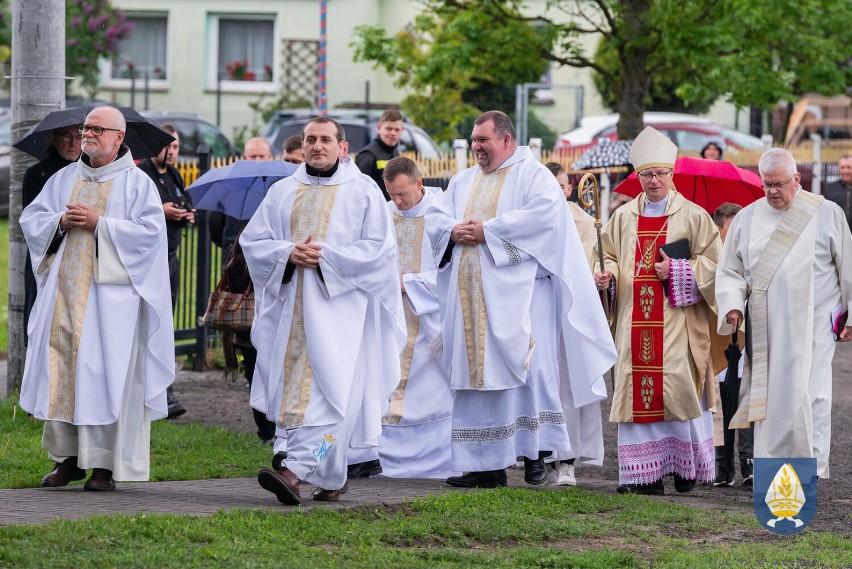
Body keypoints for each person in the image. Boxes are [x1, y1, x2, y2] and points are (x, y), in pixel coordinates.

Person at [426, 111, 616, 489]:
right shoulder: (462, 181)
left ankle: (536, 454)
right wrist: (452, 230)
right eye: (474, 140)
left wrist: (488, 232)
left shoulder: (534, 176)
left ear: (507, 140)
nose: (477, 147)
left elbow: (545, 220)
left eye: (484, 140)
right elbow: (435, 217)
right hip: (471, 299)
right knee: (474, 380)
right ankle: (485, 466)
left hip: (527, 296)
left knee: (531, 372)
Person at [243, 116, 405, 505]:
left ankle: (294, 471)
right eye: (310, 139)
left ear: (342, 147)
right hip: (292, 316)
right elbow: (253, 242)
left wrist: (326, 257)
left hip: (343, 317)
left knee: (334, 398)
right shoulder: (283, 191)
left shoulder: (363, 192)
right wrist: (287, 253)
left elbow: (380, 253)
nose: (317, 145)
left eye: (326, 139)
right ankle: (331, 475)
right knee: (313, 402)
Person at [19, 106, 175, 492]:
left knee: (106, 377)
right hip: (64, 297)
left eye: (96, 129)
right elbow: (32, 219)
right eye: (86, 128)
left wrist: (99, 224)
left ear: (118, 137)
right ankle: (68, 460)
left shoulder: (137, 184)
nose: (87, 134)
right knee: (67, 371)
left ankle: (104, 466)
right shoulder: (63, 178)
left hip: (112, 305)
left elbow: (150, 236)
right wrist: (59, 222)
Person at [594, 126, 721, 496]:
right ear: (638, 177)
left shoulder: (694, 216)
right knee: (636, 387)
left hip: (677, 322)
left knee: (679, 388)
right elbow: (609, 257)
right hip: (633, 322)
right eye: (646, 174)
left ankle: (683, 470)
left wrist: (680, 271)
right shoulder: (622, 217)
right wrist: (607, 277)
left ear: (672, 174)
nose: (654, 181)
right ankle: (643, 477)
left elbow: (716, 264)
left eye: (660, 174)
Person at [715, 148, 852, 479]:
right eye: (766, 185)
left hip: (815, 323)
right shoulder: (747, 219)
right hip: (767, 325)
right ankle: (769, 462)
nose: (772, 191)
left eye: (778, 184)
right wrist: (733, 304)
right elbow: (730, 270)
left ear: (796, 179)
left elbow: (848, 264)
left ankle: (812, 464)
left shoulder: (827, 213)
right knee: (771, 394)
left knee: (811, 391)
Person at [379, 156, 454, 478]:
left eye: (403, 194)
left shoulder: (442, 213)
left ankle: (439, 463)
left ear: (420, 184)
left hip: (430, 318)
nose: (397, 201)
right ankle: (380, 457)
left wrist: (409, 283)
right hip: (390, 316)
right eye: (392, 194)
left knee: (432, 389)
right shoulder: (381, 215)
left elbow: (452, 269)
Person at [543, 161, 603, 487]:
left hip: (570, 314)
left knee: (566, 387)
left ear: (569, 189)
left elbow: (592, 266)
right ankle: (538, 458)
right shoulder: (529, 216)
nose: (556, 192)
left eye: (561, 186)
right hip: (536, 311)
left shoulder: (586, 223)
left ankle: (566, 460)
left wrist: (602, 277)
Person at [138, 123, 191, 419]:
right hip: (148, 260)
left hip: (170, 256)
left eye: (176, 147)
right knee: (150, 321)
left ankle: (164, 388)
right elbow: (136, 211)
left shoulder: (174, 174)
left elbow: (183, 202)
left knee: (165, 321)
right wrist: (163, 210)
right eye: (167, 146)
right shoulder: (141, 173)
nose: (171, 152)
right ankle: (153, 390)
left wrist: (185, 215)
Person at [22, 124, 82, 339]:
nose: (74, 143)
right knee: (44, 329)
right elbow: (32, 223)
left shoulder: (89, 174)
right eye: (67, 135)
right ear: (54, 138)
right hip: (47, 257)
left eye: (79, 136)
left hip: (79, 259)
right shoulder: (37, 174)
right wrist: (61, 221)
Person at [710, 203, 754, 487]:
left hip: (746, 339)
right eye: (732, 227)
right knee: (719, 403)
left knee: (745, 401)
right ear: (719, 229)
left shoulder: (750, 257)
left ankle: (748, 462)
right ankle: (721, 464)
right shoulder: (709, 260)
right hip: (717, 343)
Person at [354, 109, 404, 200]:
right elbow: (359, 190)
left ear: (402, 131)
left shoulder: (395, 153)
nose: (393, 133)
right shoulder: (368, 155)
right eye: (389, 129)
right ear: (379, 128)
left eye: (397, 130)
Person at [823, 154, 852, 229]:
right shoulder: (830, 188)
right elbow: (824, 214)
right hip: (837, 235)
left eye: (849, 167)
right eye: (842, 168)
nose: (845, 171)